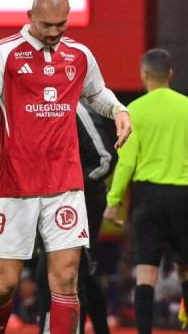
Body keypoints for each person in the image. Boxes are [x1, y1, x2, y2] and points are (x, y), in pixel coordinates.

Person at [0, 0, 132, 334]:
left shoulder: (79, 55)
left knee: (65, 276)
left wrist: (119, 110)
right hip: (16, 187)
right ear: (30, 16)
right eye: (47, 24)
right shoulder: (3, 54)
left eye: (61, 24)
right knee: (2, 287)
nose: (54, 32)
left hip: (65, 184)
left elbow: (97, 93)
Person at [104, 48, 188, 334]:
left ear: (143, 75)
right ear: (171, 75)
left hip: (148, 196)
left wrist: (113, 201)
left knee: (146, 272)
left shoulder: (135, 111)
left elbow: (126, 161)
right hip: (183, 195)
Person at [36, 101, 118, 334]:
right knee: (64, 270)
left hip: (80, 202)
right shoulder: (35, 110)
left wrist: (71, 187)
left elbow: (105, 159)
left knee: (71, 270)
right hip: (49, 202)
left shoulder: (77, 110)